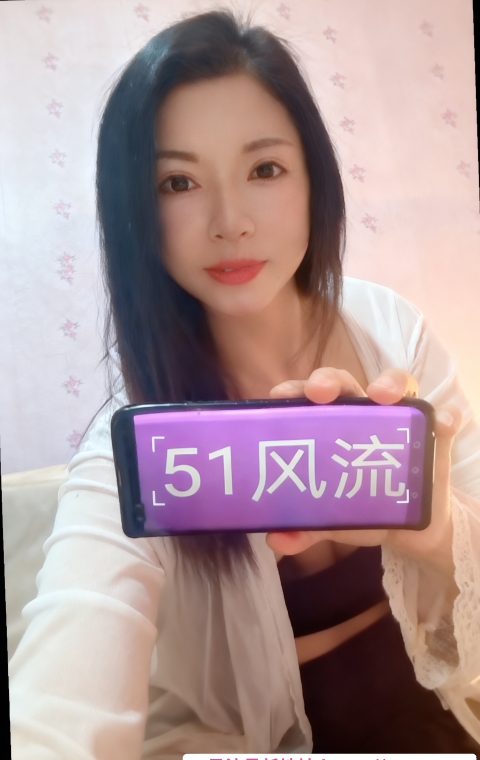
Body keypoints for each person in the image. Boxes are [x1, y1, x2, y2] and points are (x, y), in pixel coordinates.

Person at [8, 10, 480, 758]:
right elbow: (63, 691)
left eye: (264, 169)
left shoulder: (393, 330)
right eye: (178, 181)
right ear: (137, 211)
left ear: (313, 177)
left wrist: (429, 528)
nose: (229, 222)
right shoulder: (137, 449)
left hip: (443, 716)